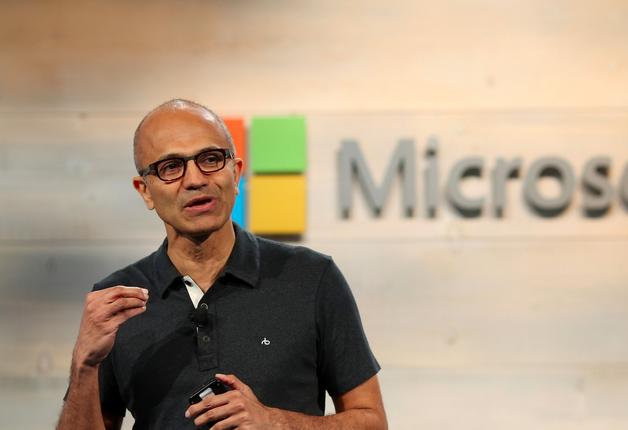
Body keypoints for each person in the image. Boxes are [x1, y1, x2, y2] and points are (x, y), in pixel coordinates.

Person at [57, 99, 387, 429]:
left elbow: (372, 422)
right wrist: (84, 364)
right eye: (171, 167)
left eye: (210, 159)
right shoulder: (116, 302)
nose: (195, 179)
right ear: (145, 191)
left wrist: (275, 422)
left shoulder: (311, 278)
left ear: (236, 172)